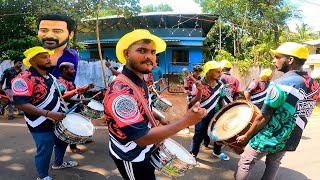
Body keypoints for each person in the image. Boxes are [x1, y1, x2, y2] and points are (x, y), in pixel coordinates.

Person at [103, 29, 207, 180]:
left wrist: (158, 116)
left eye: (153, 52)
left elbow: (143, 105)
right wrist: (185, 121)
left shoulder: (139, 80)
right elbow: (142, 138)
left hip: (145, 150)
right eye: (142, 50)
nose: (149, 56)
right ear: (126, 54)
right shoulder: (121, 94)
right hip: (132, 156)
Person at [235, 42, 320, 180]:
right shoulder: (314, 84)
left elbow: (264, 117)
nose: (274, 60)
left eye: (277, 57)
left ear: (290, 60)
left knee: (246, 160)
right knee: (274, 162)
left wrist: (247, 135)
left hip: (269, 136)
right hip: (291, 135)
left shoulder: (280, 84)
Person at [11, 46, 78, 180]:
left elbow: (61, 94)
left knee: (62, 141)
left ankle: (58, 163)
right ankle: (43, 176)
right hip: (38, 122)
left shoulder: (51, 77)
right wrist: (48, 114)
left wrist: (77, 92)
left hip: (58, 118)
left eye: (48, 56)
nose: (48, 59)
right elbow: (20, 103)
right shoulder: (23, 79)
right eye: (44, 57)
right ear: (33, 61)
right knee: (45, 149)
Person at [189, 61, 233, 160]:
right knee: (198, 135)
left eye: (221, 71)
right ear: (208, 72)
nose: (220, 74)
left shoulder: (221, 85)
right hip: (200, 115)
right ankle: (193, 154)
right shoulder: (198, 84)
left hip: (214, 113)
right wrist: (200, 91)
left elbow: (222, 99)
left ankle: (217, 152)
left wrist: (224, 112)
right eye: (217, 72)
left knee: (218, 134)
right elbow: (192, 102)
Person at [58, 62, 94, 154]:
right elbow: (64, 97)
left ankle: (82, 139)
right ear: (64, 70)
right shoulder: (61, 82)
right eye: (71, 69)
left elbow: (76, 93)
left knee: (81, 124)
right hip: (68, 108)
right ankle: (73, 146)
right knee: (73, 127)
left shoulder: (69, 80)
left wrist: (86, 88)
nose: (74, 71)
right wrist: (81, 101)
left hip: (74, 106)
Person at [37, 14, 78, 81]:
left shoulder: (71, 55)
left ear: (70, 35)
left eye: (57, 31)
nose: (49, 35)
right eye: (43, 30)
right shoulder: (34, 55)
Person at [183, 65, 203, 135]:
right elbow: (186, 89)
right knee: (189, 110)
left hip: (199, 95)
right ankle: (186, 127)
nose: (198, 74)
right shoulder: (188, 78)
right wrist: (188, 93)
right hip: (191, 96)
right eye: (196, 73)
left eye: (199, 73)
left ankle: (198, 128)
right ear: (193, 72)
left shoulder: (201, 78)